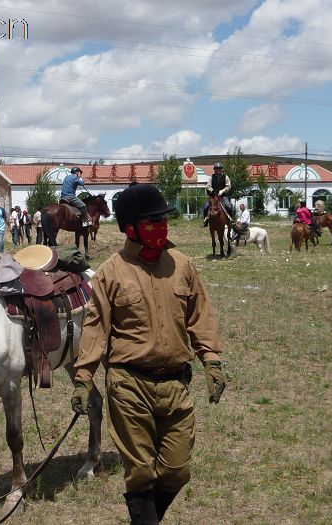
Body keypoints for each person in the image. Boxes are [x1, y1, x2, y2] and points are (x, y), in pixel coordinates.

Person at [71, 183, 226, 525]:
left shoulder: (183, 265)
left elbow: (200, 315)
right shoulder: (111, 272)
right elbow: (95, 329)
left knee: (177, 470)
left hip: (175, 385)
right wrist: (84, 377)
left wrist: (211, 360)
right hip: (129, 385)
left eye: (163, 220)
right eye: (152, 221)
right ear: (131, 228)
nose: (162, 226)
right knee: (141, 472)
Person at [202, 163, 232, 227]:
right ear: (214, 169)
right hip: (213, 197)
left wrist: (222, 191)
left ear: (222, 169)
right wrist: (212, 190)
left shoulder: (225, 177)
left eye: (220, 168)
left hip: (222, 196)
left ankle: (231, 220)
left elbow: (228, 186)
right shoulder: (211, 177)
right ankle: (205, 221)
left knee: (229, 206)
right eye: (216, 168)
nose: (218, 170)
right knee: (205, 207)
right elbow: (208, 186)